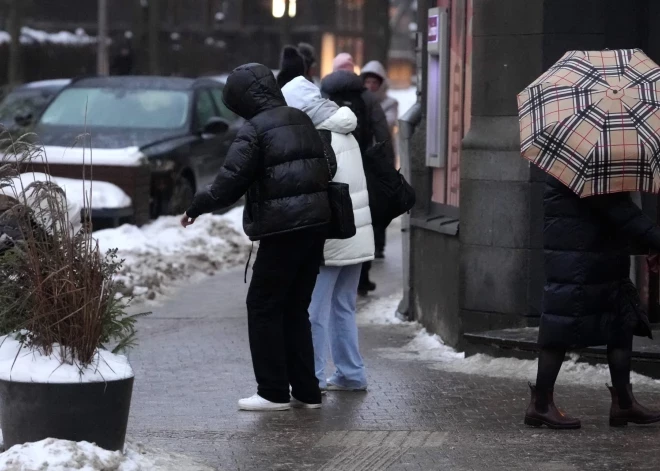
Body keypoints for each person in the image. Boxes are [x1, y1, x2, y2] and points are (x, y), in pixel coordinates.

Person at [181, 63, 332, 412]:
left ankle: (273, 391)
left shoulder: (255, 129)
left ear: (244, 99)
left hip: (283, 229)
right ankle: (307, 392)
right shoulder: (301, 118)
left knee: (262, 306)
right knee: (295, 308)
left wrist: (196, 206)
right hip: (315, 225)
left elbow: (229, 181)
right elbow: (327, 164)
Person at [525, 175, 660, 429]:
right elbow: (619, 211)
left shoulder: (584, 167)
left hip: (600, 259)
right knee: (559, 326)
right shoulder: (589, 173)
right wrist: (655, 239)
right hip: (577, 262)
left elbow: (616, 214)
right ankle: (540, 404)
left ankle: (623, 402)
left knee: (622, 322)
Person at [282, 76, 374, 392]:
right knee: (343, 307)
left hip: (330, 238)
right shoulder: (345, 130)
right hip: (356, 233)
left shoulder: (317, 138)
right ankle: (351, 373)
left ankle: (313, 376)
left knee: (312, 311)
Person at [321, 53, 394, 295]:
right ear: (353, 72)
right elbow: (382, 134)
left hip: (329, 165)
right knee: (363, 220)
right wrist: (385, 168)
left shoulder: (325, 94)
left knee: (332, 215)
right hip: (362, 165)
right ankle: (361, 277)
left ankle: (330, 271)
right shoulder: (367, 97)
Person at [360, 60, 399, 259]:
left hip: (382, 159)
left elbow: (389, 122)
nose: (371, 86)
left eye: (374, 83)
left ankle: (379, 245)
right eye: (367, 82)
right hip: (364, 159)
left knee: (380, 204)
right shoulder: (359, 102)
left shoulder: (389, 103)